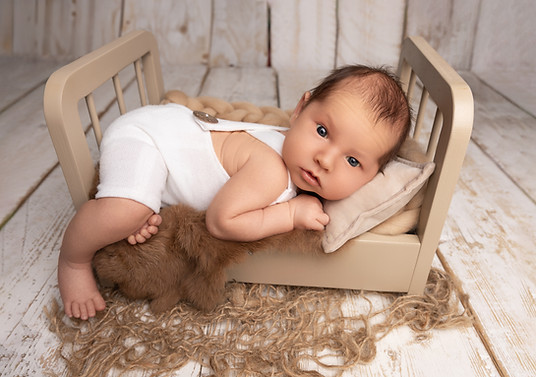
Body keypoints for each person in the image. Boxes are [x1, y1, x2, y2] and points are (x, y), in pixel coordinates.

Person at [57, 65, 411, 320]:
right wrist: (289, 214)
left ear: (371, 177)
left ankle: (150, 193)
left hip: (172, 139)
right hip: (147, 139)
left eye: (352, 160)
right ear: (300, 109)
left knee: (142, 208)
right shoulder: (271, 171)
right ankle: (73, 260)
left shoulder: (295, 158)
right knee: (125, 212)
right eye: (321, 131)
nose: (325, 159)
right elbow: (221, 222)